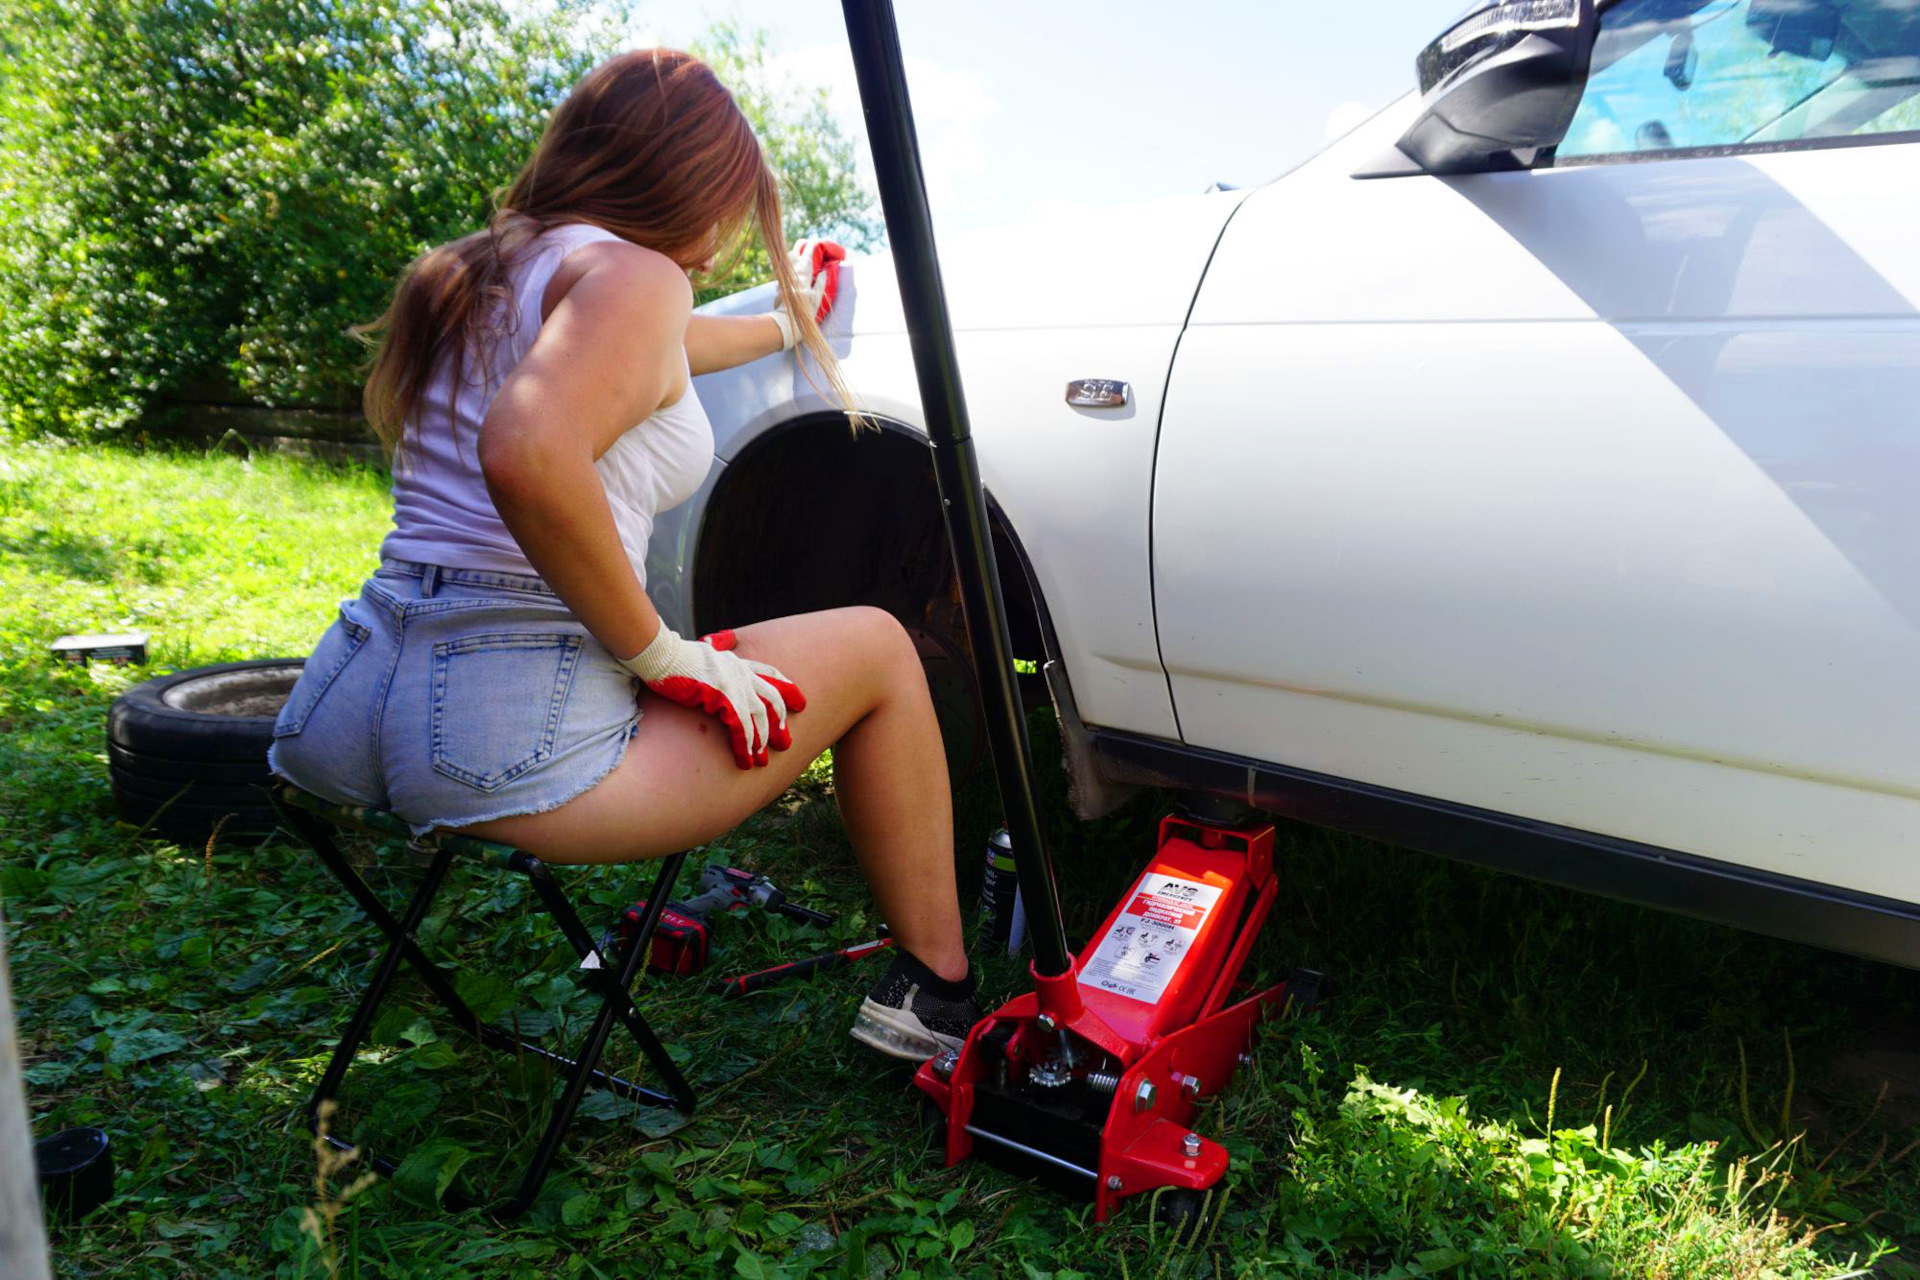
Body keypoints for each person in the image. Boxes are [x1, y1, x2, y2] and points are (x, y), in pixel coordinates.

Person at [268, 48, 976, 1060]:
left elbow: (662, 346)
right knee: (876, 646)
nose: (725, 240)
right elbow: (526, 448)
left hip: (346, 700)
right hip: (497, 737)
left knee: (763, 644)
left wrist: (787, 326)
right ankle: (937, 993)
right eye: (730, 206)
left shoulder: (474, 268)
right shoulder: (633, 275)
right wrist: (663, 654)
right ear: (686, 185)